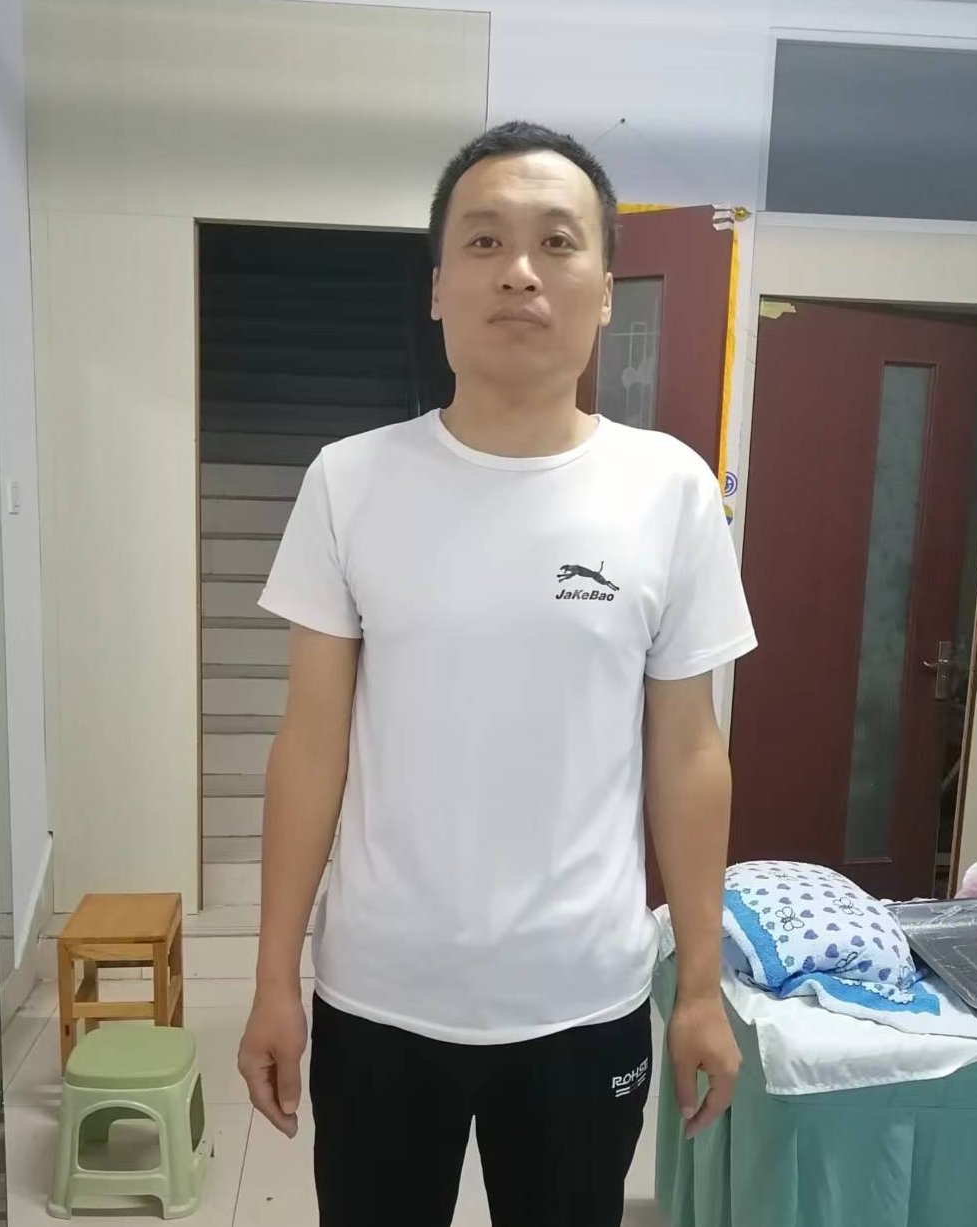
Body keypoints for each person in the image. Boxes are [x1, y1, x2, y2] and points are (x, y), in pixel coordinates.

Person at [238, 119, 757, 1227]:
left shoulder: (668, 492)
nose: (520, 270)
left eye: (556, 242)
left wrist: (700, 988)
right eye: (483, 242)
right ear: (437, 288)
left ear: (604, 291)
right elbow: (310, 746)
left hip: (582, 997)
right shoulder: (349, 482)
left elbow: (688, 754)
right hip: (381, 991)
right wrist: (275, 977)